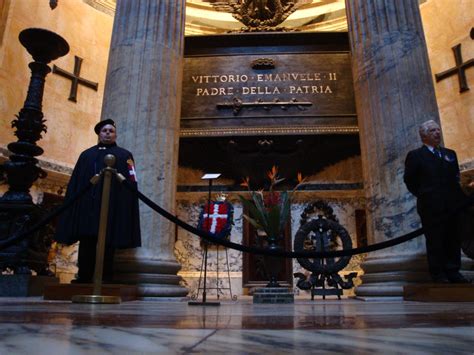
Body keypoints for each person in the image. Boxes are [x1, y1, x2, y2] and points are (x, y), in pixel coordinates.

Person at [55, 119, 141, 283]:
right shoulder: (87, 155)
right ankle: (84, 276)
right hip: (89, 207)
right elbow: (77, 182)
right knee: (87, 241)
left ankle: (106, 277)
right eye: (104, 130)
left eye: (111, 131)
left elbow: (131, 181)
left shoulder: (125, 155)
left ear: (115, 134)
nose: (108, 133)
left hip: (112, 206)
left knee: (109, 243)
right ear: (99, 134)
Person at [404, 120, 469, 283]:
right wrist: (424, 195)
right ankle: (438, 273)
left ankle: (454, 271)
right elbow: (409, 180)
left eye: (438, 130)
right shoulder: (416, 156)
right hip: (431, 206)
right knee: (435, 239)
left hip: (453, 205)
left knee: (453, 238)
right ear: (424, 135)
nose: (437, 133)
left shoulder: (450, 154)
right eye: (433, 131)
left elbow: (456, 178)